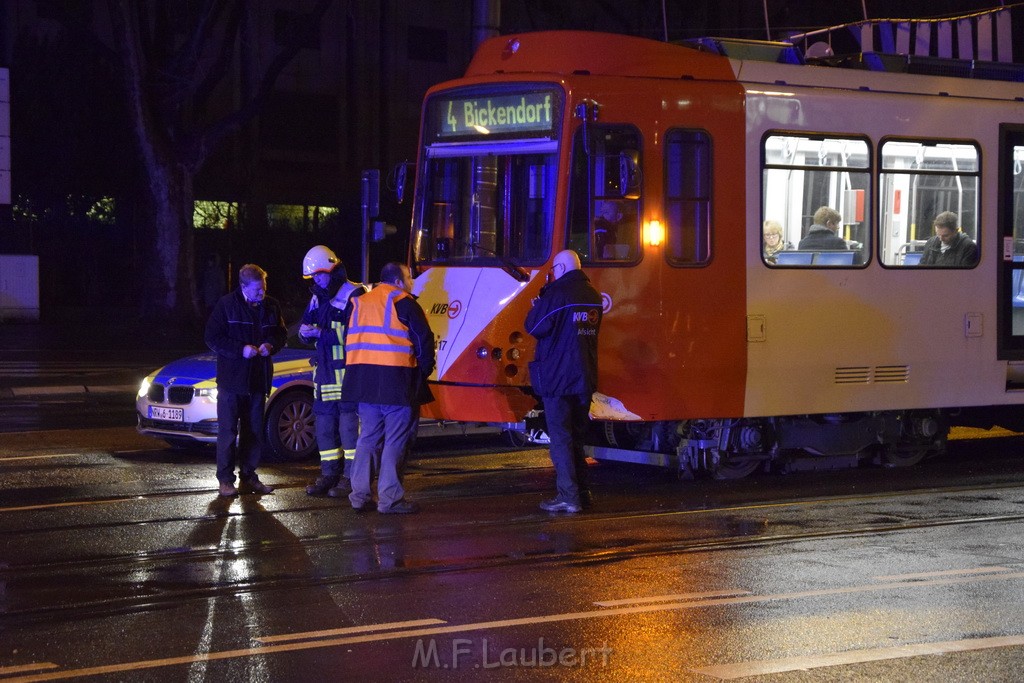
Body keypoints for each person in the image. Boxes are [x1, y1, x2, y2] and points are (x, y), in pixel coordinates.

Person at [341, 262, 435, 514]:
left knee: (368, 438)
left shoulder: (359, 303)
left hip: (364, 383)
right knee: (395, 441)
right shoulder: (404, 303)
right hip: (397, 383)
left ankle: (359, 496)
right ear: (397, 281)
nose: (412, 282)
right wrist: (422, 373)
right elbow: (424, 342)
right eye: (409, 277)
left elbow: (349, 341)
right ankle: (389, 499)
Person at [525, 249, 602, 514]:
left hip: (558, 379)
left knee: (561, 439)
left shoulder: (557, 295)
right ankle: (583, 492)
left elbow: (533, 327)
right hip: (584, 377)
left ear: (559, 268)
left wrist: (540, 303)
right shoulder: (593, 295)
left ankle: (568, 497)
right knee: (577, 438)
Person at [204, 263, 287, 497]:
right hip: (232, 381)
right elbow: (212, 337)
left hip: (258, 380)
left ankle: (249, 475)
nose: (262, 293)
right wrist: (241, 350)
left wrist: (271, 345)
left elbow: (279, 334)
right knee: (228, 432)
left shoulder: (271, 306)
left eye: (264, 287)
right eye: (257, 289)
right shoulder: (227, 306)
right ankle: (225, 480)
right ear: (243, 287)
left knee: (254, 432)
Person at [298, 245, 367, 498]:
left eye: (318, 275)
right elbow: (306, 325)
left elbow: (356, 335)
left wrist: (321, 334)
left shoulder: (353, 294)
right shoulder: (317, 296)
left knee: (350, 431)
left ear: (331, 270)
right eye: (312, 277)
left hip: (348, 376)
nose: (315, 280)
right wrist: (305, 334)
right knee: (325, 430)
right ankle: (329, 475)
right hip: (325, 376)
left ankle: (350, 477)